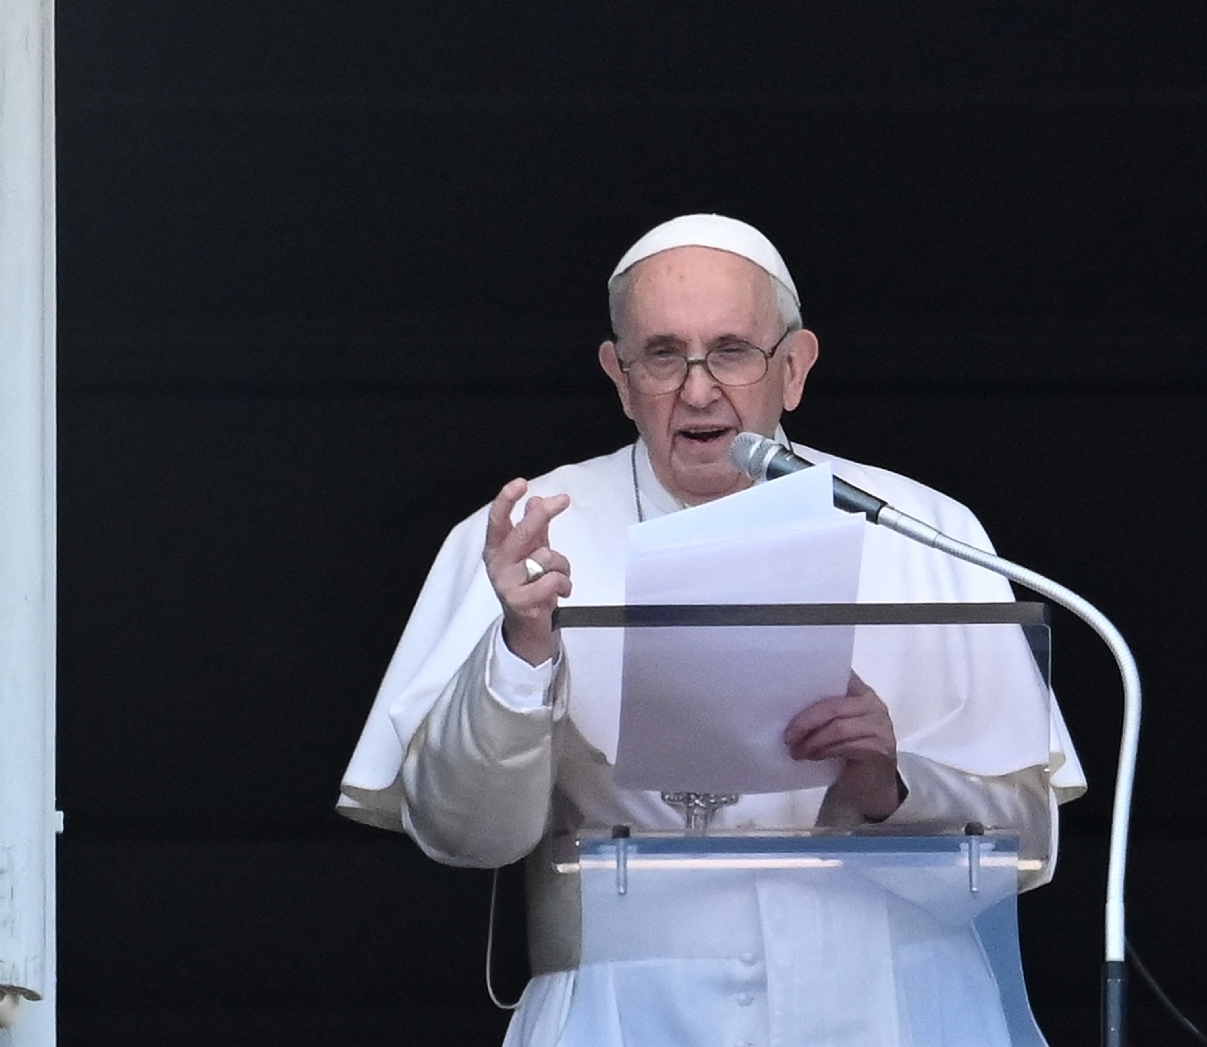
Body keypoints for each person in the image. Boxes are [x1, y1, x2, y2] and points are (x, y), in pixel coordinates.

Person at [338, 214, 1087, 1046]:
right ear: (618, 377)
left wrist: (890, 786)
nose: (698, 390)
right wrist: (521, 650)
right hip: (624, 1014)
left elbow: (1028, 846)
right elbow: (463, 836)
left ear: (794, 367)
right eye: (662, 355)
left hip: (894, 1008)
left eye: (732, 350)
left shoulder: (921, 528)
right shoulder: (529, 536)